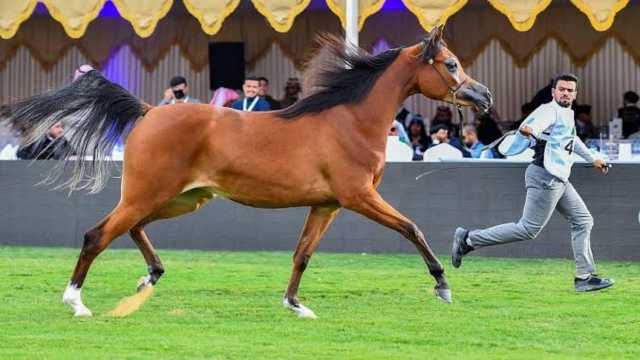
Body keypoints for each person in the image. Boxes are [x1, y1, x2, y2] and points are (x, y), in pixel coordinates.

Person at [452, 73, 614, 292]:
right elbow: (534, 126)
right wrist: (531, 131)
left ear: (575, 94)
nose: (565, 92)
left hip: (558, 177)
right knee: (528, 229)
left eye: (570, 90)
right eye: (562, 89)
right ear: (553, 92)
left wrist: (593, 159)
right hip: (546, 176)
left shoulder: (566, 113)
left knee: (583, 221)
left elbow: (571, 140)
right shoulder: (548, 110)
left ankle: (584, 277)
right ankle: (469, 239)